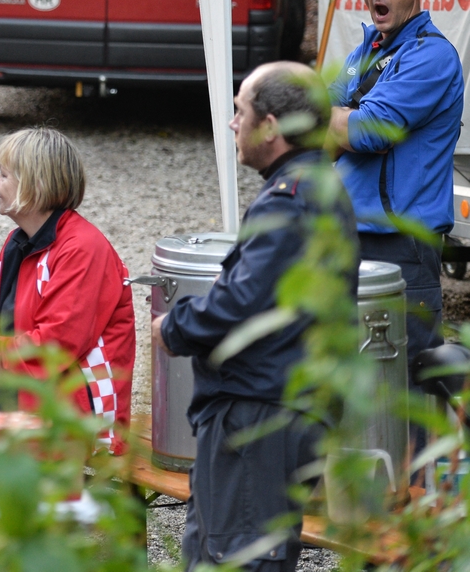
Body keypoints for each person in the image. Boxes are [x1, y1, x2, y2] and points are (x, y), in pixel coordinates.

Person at [153, 62, 359, 571]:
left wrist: (173, 327)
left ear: (270, 127)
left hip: (260, 413)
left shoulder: (291, 200)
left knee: (238, 558)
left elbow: (241, 301)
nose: (232, 123)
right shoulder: (315, 185)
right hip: (281, 408)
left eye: (240, 111)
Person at [328, 0, 464, 374]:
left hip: (402, 247)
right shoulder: (363, 52)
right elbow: (317, 133)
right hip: (350, 235)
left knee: (404, 383)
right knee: (351, 378)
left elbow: (368, 132)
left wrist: (335, 116)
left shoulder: (433, 56)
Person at [0, 127, 134, 452]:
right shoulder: (16, 243)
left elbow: (55, 346)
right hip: (29, 392)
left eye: (4, 175)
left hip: (78, 414)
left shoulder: (82, 248)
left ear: (36, 185)